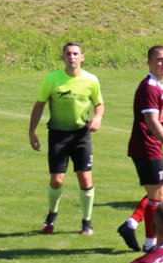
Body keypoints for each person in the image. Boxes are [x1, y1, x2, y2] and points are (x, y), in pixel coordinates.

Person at [28, 41, 105, 235]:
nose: (72, 57)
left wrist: (97, 117)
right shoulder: (52, 79)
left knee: (85, 178)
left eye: (75, 54)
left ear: (82, 57)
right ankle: (52, 214)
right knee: (57, 181)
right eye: (68, 54)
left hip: (81, 135)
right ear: (63, 58)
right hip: (58, 135)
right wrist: (32, 132)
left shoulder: (91, 80)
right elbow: (39, 105)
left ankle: (86, 222)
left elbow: (99, 104)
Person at [117, 46, 163, 253]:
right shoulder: (149, 87)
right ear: (149, 63)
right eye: (159, 60)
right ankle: (151, 245)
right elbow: (152, 122)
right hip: (145, 146)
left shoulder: (160, 85)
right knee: (157, 196)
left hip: (153, 145)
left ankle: (130, 224)